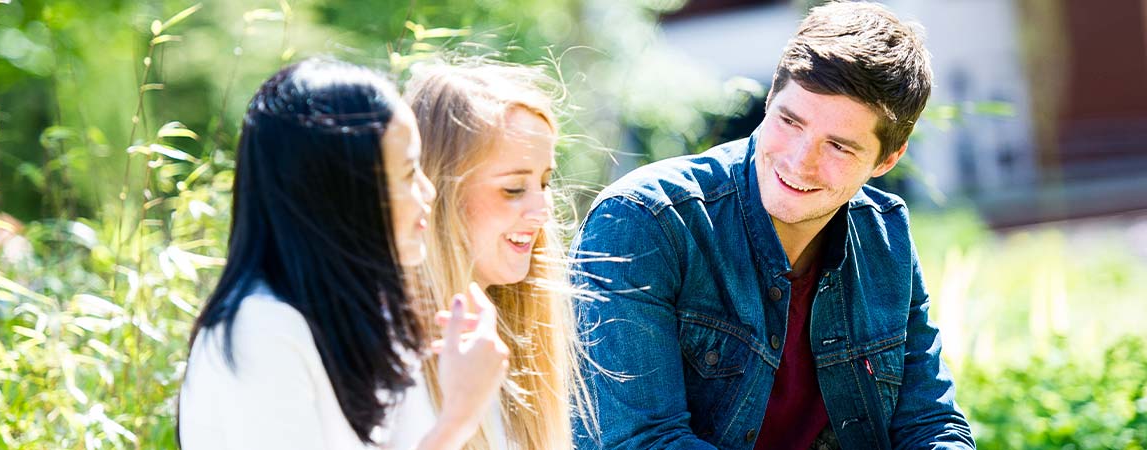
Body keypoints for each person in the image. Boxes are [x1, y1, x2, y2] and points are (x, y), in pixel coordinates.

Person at [571, 2, 975, 449]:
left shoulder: (886, 236)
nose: (800, 162)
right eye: (789, 121)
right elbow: (641, 441)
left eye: (838, 147)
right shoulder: (644, 224)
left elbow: (931, 425)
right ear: (768, 103)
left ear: (886, 160)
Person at [179, 58, 510, 450]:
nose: (429, 191)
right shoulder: (262, 329)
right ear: (339, 192)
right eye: (407, 173)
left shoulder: (363, 325)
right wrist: (459, 416)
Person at [404, 61, 589, 450]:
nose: (542, 211)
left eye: (544, 182)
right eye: (514, 189)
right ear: (437, 191)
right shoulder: (382, 353)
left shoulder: (507, 348)